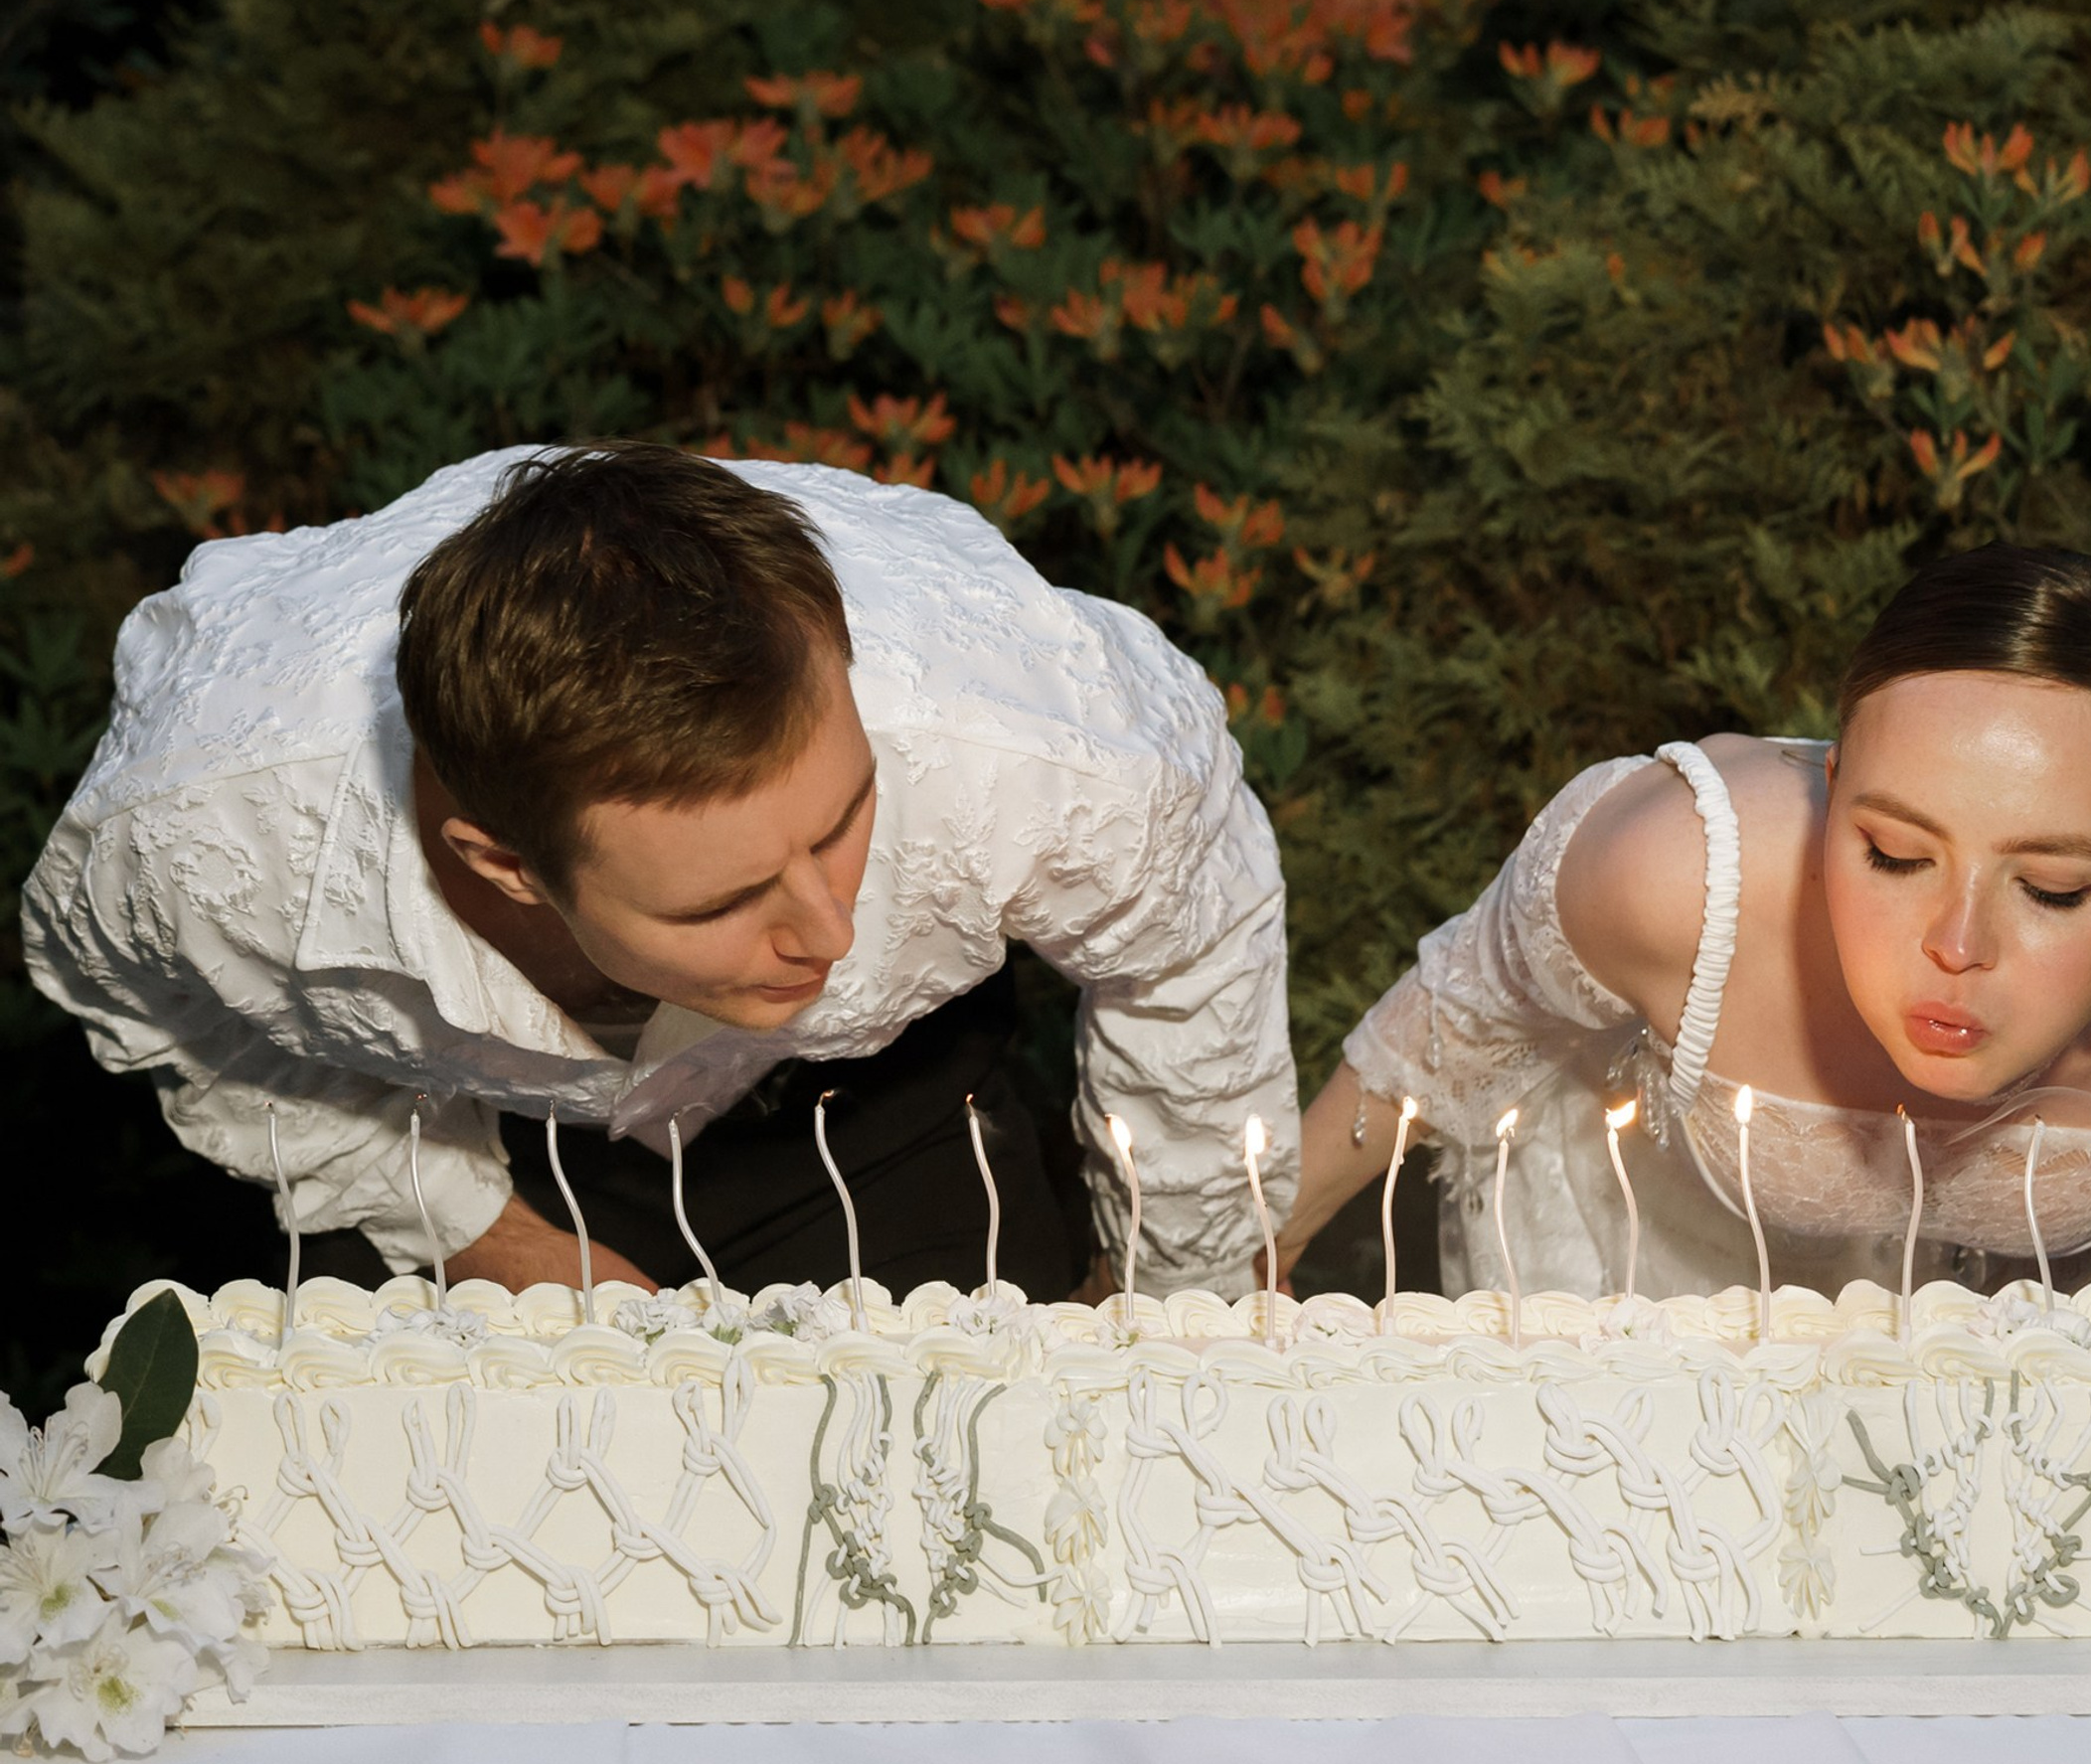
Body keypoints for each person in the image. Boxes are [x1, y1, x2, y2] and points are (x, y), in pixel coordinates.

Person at [23, 444, 1296, 1306]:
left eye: (846, 818)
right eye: (726, 899)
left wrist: (1167, 1302)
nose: (830, 929)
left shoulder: (1034, 746)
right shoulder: (205, 838)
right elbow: (141, 996)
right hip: (464, 1133)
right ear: (503, 865)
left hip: (884, 1110)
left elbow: (1192, 932)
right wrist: (474, 1228)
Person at [1275, 545, 2091, 1302]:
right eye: (1894, 854)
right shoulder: (1673, 876)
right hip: (1652, 1305)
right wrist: (1240, 1258)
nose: (1956, 943)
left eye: (2049, 888)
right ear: (1832, 790)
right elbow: (1453, 1019)